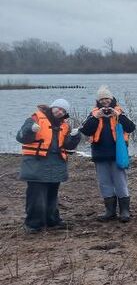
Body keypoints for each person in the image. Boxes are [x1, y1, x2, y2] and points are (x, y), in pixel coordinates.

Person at [17, 99, 82, 233]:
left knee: (52, 195)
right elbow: (21, 137)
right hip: (36, 163)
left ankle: (52, 220)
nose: (60, 112)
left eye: (63, 111)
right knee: (36, 196)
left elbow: (68, 145)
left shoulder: (64, 125)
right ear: (52, 107)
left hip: (56, 164)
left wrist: (75, 137)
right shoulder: (35, 118)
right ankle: (33, 224)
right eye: (58, 108)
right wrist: (31, 130)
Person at [79, 86, 136, 223]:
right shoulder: (93, 114)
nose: (105, 102)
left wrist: (118, 116)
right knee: (105, 183)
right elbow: (86, 130)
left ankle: (124, 211)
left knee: (120, 183)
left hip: (118, 154)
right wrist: (95, 117)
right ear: (98, 101)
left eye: (107, 99)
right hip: (99, 154)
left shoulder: (119, 112)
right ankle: (110, 211)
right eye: (102, 99)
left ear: (111, 99)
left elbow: (131, 127)